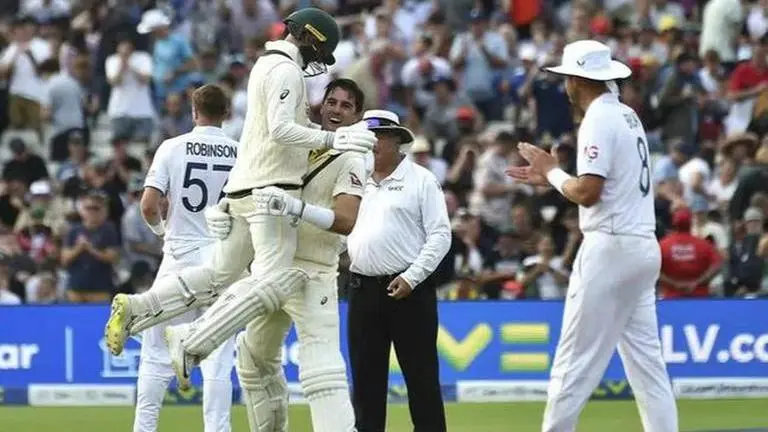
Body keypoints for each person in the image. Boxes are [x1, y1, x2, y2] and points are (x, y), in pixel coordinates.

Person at [103, 8, 376, 357]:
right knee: (273, 281)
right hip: (271, 190)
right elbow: (280, 130)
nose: (318, 60)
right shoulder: (286, 70)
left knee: (218, 276)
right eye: (320, 51)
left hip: (247, 187)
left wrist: (327, 136)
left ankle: (137, 308)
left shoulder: (265, 64)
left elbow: (281, 129)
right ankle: (192, 338)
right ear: (309, 37)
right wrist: (332, 140)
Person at [505, 40, 679, 432]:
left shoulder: (598, 118)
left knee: (573, 363)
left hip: (610, 247)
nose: (565, 83)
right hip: (641, 247)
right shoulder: (627, 115)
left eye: (567, 77)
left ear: (577, 80)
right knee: (648, 368)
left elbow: (589, 192)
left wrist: (551, 172)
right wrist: (554, 178)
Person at [192, 78, 367, 432]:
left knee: (322, 369)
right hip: (274, 266)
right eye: (331, 101)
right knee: (253, 361)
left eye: (345, 106)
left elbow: (347, 220)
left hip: (314, 273)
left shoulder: (352, 157)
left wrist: (295, 207)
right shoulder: (300, 141)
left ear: (356, 115)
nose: (335, 110)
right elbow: (254, 183)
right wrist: (225, 210)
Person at [106, 84, 238, 432]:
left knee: (154, 357)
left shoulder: (172, 148)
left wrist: (162, 230)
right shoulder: (241, 153)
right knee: (219, 360)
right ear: (227, 113)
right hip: (223, 261)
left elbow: (148, 205)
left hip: (179, 257)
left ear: (194, 113)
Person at [345, 110, 451, 432]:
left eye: (377, 137)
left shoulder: (421, 180)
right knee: (365, 387)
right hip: (362, 290)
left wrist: (412, 276)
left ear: (395, 140)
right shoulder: (353, 180)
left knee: (421, 383)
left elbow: (441, 234)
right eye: (366, 137)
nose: (371, 143)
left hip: (408, 290)